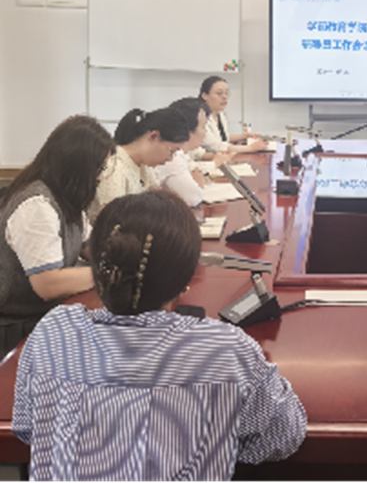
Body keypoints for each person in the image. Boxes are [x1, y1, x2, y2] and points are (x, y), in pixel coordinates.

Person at [12, 190, 307, 480]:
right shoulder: (226, 349)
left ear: (98, 270)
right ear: (186, 280)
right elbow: (283, 436)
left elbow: (28, 427)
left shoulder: (54, 331)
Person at [0, 115, 115, 356]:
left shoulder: (67, 198)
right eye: (99, 169)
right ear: (77, 166)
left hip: (44, 317)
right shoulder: (36, 205)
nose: (99, 177)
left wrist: (124, 253)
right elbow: (48, 283)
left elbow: (90, 246)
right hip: (16, 330)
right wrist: (107, 273)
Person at [89, 107, 189, 220]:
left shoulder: (143, 166)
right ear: (154, 136)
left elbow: (161, 200)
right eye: (171, 151)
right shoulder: (114, 167)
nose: (170, 159)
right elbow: (111, 220)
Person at [154, 97, 227, 207]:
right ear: (187, 129)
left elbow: (192, 168)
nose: (205, 132)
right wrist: (198, 183)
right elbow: (193, 198)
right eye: (203, 127)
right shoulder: (172, 156)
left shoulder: (179, 152)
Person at [199, 76, 267, 153]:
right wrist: (250, 148)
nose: (224, 97)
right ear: (205, 95)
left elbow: (223, 138)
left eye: (226, 93)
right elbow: (215, 146)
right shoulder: (199, 116)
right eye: (219, 93)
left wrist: (244, 136)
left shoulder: (220, 114)